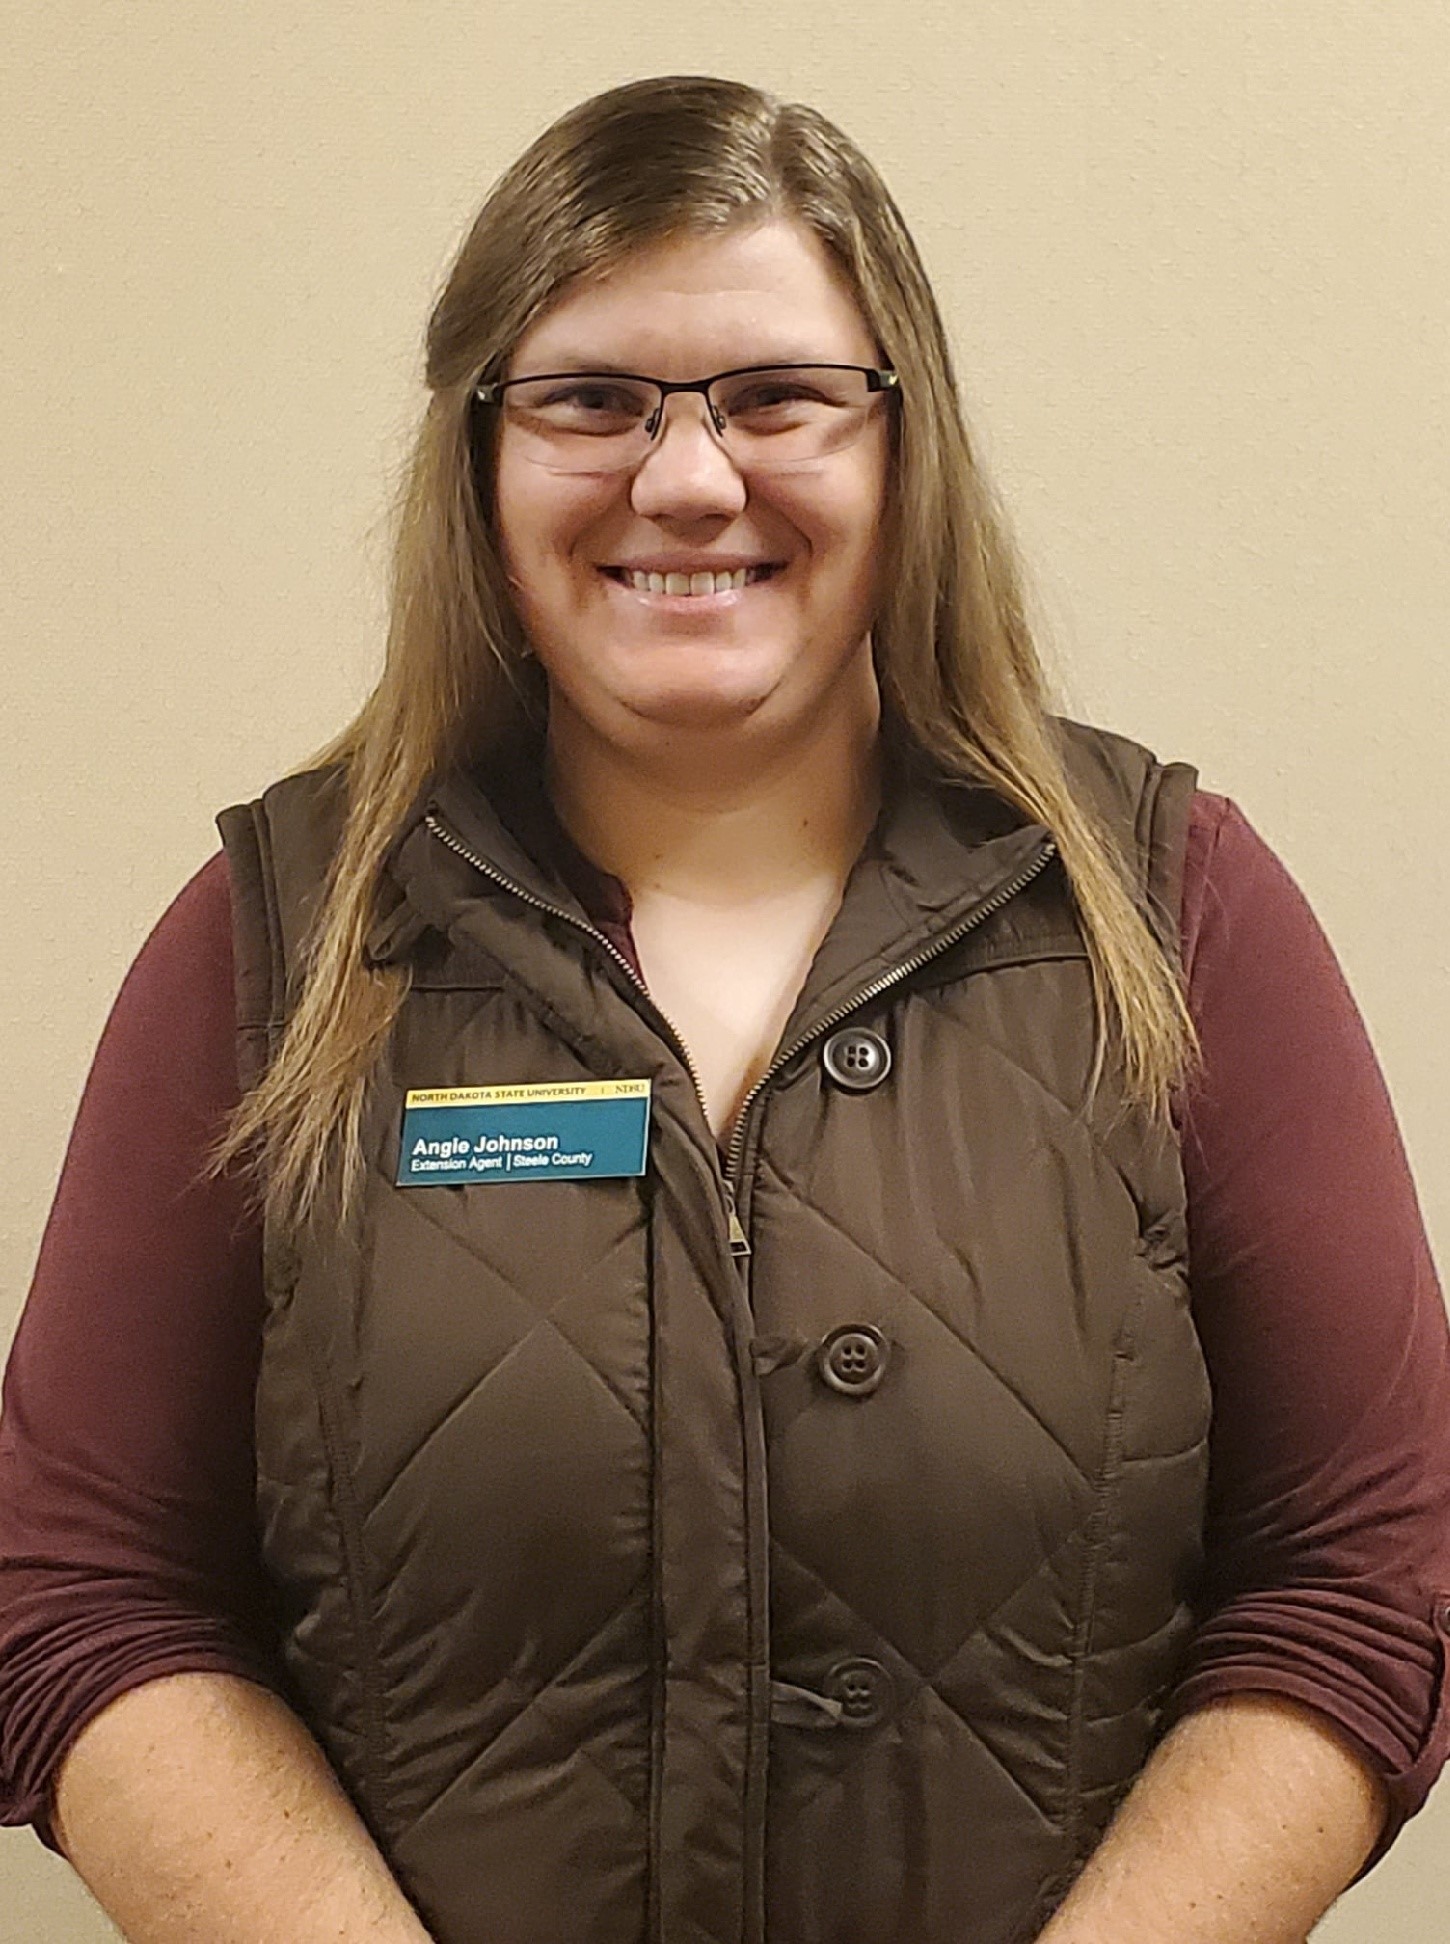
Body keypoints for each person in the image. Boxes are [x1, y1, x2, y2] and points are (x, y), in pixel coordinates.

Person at [2, 73, 1448, 1944]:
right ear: (479, 457)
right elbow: (80, 1588)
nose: (686, 479)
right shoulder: (270, 946)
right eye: (591, 399)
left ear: (899, 445)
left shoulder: (1173, 911)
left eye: (777, 397)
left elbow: (1361, 1574)